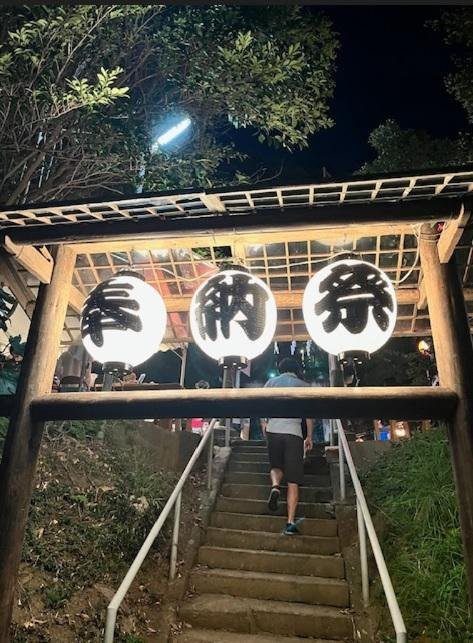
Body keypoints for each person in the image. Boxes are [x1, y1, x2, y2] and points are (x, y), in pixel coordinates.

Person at [262, 357, 314, 536]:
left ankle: (275, 486)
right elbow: (309, 414)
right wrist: (309, 436)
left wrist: (265, 427)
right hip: (294, 433)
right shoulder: (304, 386)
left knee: (276, 466)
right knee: (293, 481)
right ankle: (290, 523)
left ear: (280, 369)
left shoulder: (271, 383)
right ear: (296, 369)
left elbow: (261, 406)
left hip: (273, 430)